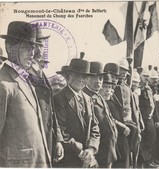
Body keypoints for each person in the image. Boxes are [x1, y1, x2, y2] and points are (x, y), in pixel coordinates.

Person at [0, 21, 51, 167]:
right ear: (10, 47)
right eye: (27, 47)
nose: (33, 53)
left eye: (34, 47)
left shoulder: (24, 79)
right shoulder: (3, 83)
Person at [54, 58, 100, 168]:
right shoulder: (59, 98)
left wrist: (91, 149)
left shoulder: (88, 99)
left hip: (87, 158)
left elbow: (95, 126)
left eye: (84, 77)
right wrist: (80, 152)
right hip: (68, 159)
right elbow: (60, 130)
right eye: (77, 75)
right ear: (68, 76)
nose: (81, 80)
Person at [28, 28, 64, 165]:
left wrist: (58, 140)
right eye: (35, 44)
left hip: (47, 140)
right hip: (33, 143)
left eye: (41, 45)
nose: (38, 49)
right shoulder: (23, 73)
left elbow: (51, 111)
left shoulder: (40, 72)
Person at [83, 61, 118, 168]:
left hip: (108, 150)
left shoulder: (99, 97)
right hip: (97, 151)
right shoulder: (84, 97)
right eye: (95, 77)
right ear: (87, 78)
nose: (98, 82)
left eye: (101, 78)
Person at [138, 68, 157, 168]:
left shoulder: (148, 88)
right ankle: (141, 163)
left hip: (150, 118)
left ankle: (148, 162)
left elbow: (152, 103)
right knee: (143, 141)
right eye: (144, 76)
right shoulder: (138, 89)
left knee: (151, 139)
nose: (146, 78)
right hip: (142, 118)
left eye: (147, 76)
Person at [130, 69, 145, 168]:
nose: (135, 84)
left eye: (137, 82)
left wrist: (141, 122)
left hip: (137, 124)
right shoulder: (128, 93)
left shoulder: (135, 94)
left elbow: (137, 110)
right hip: (131, 124)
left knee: (137, 149)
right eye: (134, 82)